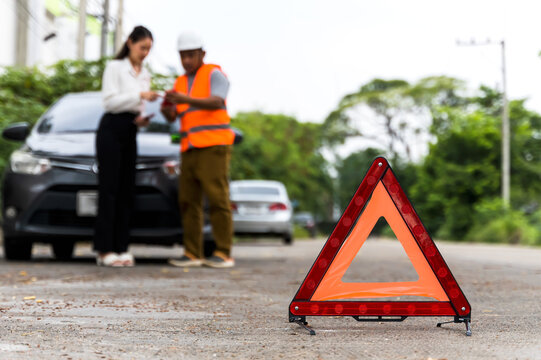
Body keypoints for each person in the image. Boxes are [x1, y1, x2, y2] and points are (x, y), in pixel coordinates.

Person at [161, 32, 235, 268]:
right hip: (189, 148)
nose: (186, 61)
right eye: (183, 56)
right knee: (188, 200)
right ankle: (193, 253)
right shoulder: (180, 82)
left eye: (191, 55)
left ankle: (223, 252)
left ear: (202, 54)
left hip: (214, 146)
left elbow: (217, 101)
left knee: (217, 198)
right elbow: (175, 114)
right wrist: (167, 108)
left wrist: (184, 99)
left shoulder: (215, 74)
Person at [94, 26, 159, 267]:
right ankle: (104, 249)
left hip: (131, 129)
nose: (145, 53)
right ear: (130, 42)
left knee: (126, 189)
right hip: (111, 128)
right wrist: (141, 96)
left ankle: (122, 247)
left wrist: (142, 118)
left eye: (149, 49)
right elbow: (109, 102)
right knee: (109, 188)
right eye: (142, 47)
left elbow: (138, 108)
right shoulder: (115, 67)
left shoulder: (145, 73)